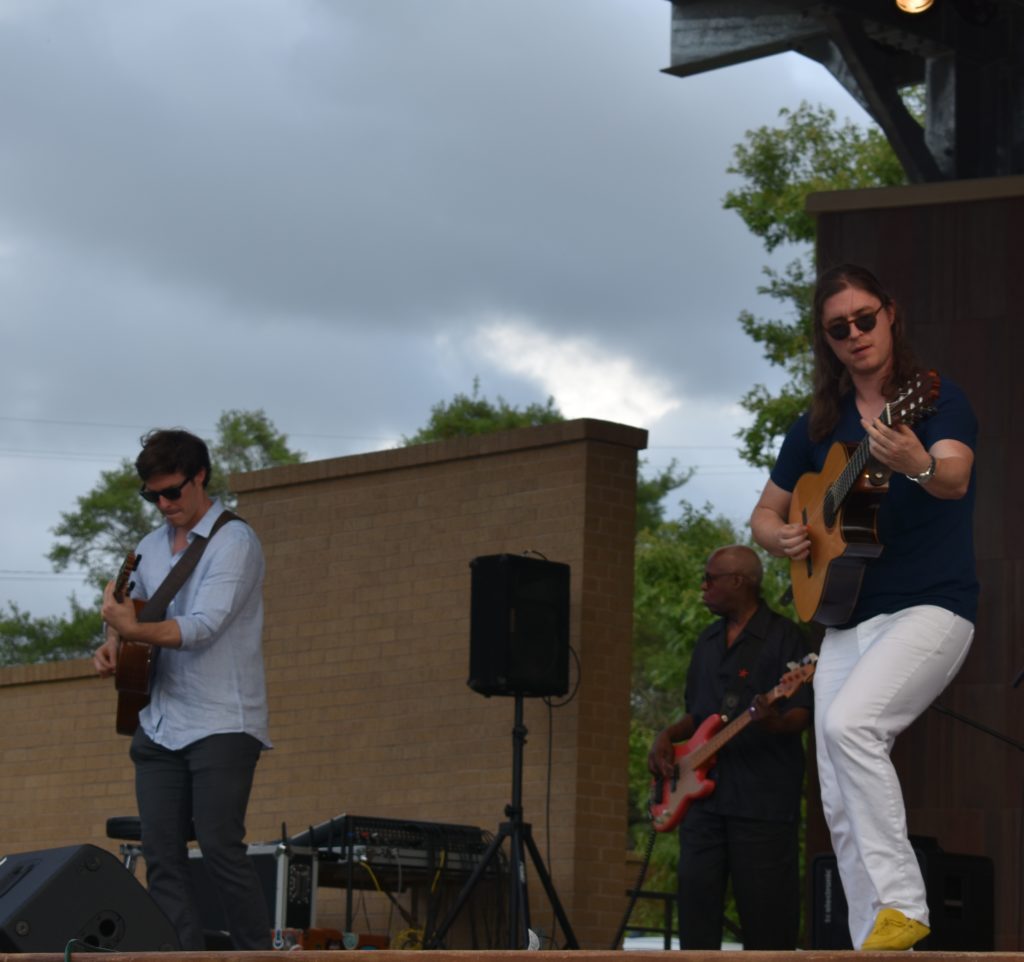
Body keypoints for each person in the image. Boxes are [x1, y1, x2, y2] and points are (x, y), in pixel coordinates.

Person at [750, 263, 977, 951]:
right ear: (827, 341)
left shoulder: (934, 400)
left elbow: (955, 478)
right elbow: (765, 514)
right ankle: (872, 941)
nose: (855, 334)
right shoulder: (815, 426)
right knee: (837, 800)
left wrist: (915, 462)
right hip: (846, 618)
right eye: (839, 327)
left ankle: (905, 904)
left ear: (891, 314)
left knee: (852, 727)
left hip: (930, 609)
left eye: (865, 318)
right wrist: (785, 535)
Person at [94, 428, 272, 950]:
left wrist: (130, 630)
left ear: (200, 478)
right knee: (161, 854)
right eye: (153, 496)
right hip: (160, 722)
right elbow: (134, 612)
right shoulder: (148, 547)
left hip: (222, 720)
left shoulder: (235, 541)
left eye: (173, 492)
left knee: (220, 846)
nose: (163, 504)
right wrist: (111, 642)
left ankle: (256, 956)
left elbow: (201, 627)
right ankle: (179, 957)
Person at [647, 545, 811, 950]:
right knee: (696, 917)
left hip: (762, 802)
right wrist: (667, 736)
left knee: (768, 922)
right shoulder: (707, 641)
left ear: (739, 582)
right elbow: (698, 713)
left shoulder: (787, 638)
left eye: (710, 578)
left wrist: (773, 720)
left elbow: (801, 716)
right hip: (703, 805)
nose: (702, 586)